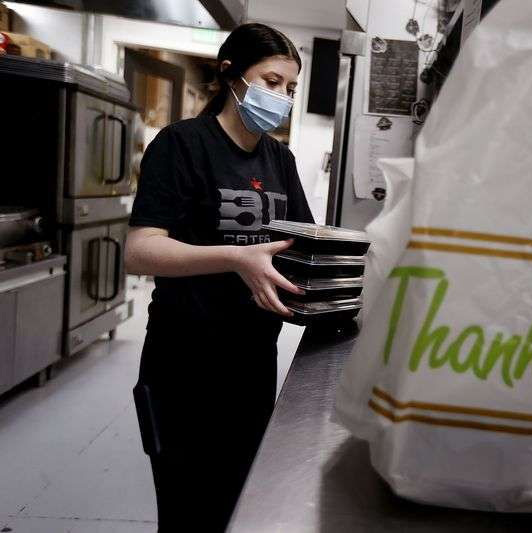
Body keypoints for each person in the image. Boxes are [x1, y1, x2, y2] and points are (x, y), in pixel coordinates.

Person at [124, 23, 313, 532]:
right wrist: (236, 257)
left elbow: (300, 244)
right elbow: (140, 251)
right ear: (229, 74)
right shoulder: (182, 145)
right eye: (271, 82)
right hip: (185, 364)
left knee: (238, 505)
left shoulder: (280, 158)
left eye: (290, 88)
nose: (281, 97)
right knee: (189, 512)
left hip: (251, 363)